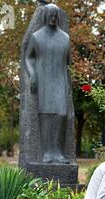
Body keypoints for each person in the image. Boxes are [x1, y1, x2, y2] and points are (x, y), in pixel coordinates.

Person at [25, 3, 71, 164]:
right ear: (45, 16)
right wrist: (32, 75)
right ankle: (47, 153)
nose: (53, 18)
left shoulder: (65, 38)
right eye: (50, 15)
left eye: (55, 15)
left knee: (61, 114)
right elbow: (28, 57)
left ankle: (57, 152)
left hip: (60, 80)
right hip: (43, 81)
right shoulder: (37, 37)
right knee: (45, 114)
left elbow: (68, 63)